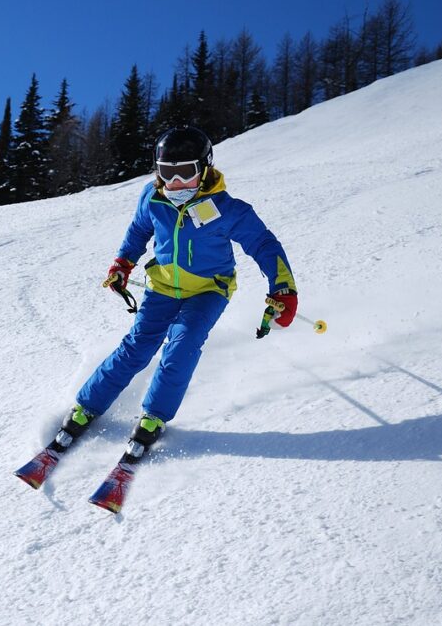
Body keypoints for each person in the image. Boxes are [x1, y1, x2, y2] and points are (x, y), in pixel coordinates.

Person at [54, 126, 298, 464]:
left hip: (210, 289)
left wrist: (282, 289)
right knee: (137, 347)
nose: (176, 182)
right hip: (162, 286)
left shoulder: (228, 209)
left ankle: (153, 416)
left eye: (186, 172)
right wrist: (123, 263)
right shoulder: (152, 198)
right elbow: (139, 229)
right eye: (167, 173)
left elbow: (263, 244)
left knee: (182, 345)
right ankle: (86, 407)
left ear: (205, 168)